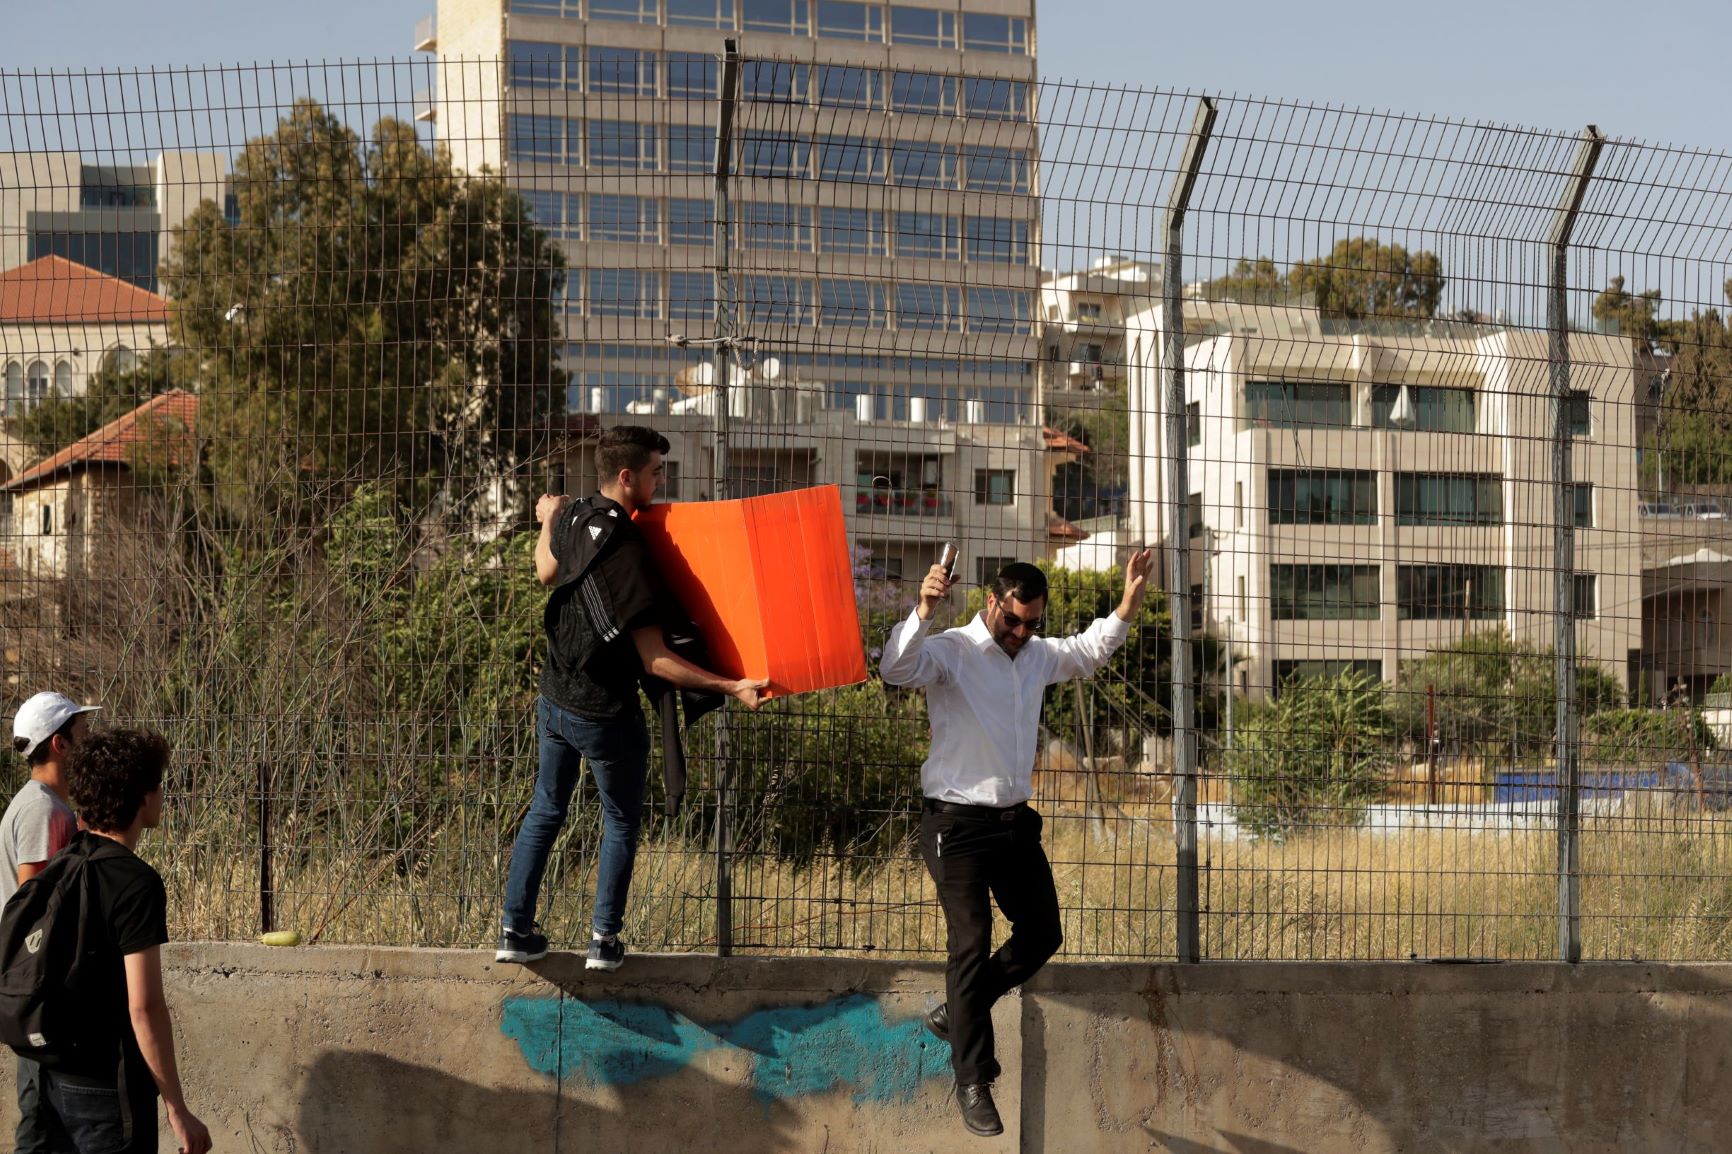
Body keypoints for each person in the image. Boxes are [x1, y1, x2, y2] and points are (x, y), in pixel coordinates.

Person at [880, 552, 1152, 1137]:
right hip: (956, 825)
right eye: (1014, 621)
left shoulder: (1034, 656)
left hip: (1011, 824)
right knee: (971, 940)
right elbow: (897, 669)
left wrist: (1127, 606)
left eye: (1033, 623)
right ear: (991, 604)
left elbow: (1086, 651)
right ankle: (974, 1078)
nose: (1023, 633)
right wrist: (923, 609)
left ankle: (962, 1007)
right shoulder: (952, 650)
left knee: (1044, 933)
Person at [499, 425, 768, 970]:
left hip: (553, 698)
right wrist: (731, 685)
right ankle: (604, 941)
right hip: (604, 713)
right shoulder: (627, 550)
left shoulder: (576, 515)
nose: (661, 480)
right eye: (655, 472)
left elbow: (546, 570)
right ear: (628, 477)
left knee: (547, 810)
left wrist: (548, 517)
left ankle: (514, 930)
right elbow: (655, 660)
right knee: (620, 821)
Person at [49, 726, 211, 1154]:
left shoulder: (64, 863)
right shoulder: (136, 883)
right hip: (110, 1088)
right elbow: (144, 1005)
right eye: (157, 784)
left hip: (57, 1078)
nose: (161, 795)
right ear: (141, 797)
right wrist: (177, 1109)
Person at [4, 691, 100, 1154]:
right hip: (39, 990)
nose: (89, 741)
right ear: (60, 745)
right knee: (41, 1128)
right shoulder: (42, 808)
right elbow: (35, 907)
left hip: (37, 990)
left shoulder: (46, 805)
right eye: (82, 733)